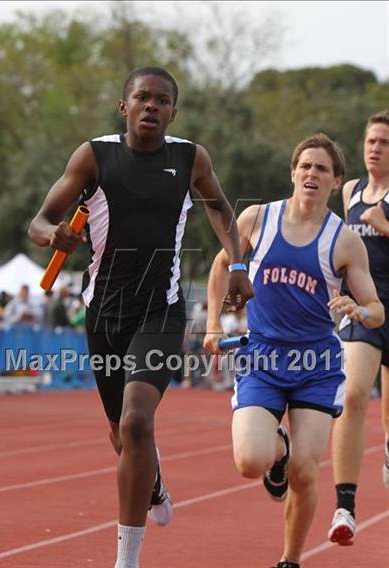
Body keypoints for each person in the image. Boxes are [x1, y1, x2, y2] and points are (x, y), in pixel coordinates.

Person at [28, 67, 252, 568]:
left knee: (135, 420)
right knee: (121, 433)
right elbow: (39, 219)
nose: (152, 106)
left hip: (161, 309)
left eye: (163, 100)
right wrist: (53, 235)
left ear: (174, 111)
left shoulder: (189, 157)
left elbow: (218, 207)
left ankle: (126, 560)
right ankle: (150, 479)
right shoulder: (94, 155)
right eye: (142, 98)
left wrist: (236, 262)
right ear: (123, 106)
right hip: (103, 314)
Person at [203, 133, 385, 568]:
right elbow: (220, 266)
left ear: (336, 180)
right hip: (262, 358)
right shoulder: (256, 220)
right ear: (292, 172)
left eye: (322, 169)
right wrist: (211, 324)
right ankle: (277, 450)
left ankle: (290, 560)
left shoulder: (343, 241)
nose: (311, 174)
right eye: (305, 166)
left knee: (306, 472)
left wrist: (357, 310)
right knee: (250, 461)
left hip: (316, 365)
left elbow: (377, 310)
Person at [328, 111, 389, 546]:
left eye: (384, 142)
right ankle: (345, 505)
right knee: (351, 394)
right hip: (365, 307)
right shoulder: (349, 192)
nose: (375, 148)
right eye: (370, 140)